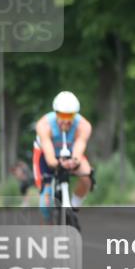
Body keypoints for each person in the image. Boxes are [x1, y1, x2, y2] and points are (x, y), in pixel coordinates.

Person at [32, 91, 94, 221]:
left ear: (75, 114)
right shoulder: (44, 125)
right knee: (46, 201)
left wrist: (75, 161)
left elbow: (79, 149)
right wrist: (58, 164)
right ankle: (47, 224)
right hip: (46, 154)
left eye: (70, 116)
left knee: (87, 176)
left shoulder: (84, 126)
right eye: (62, 115)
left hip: (69, 153)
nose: (66, 120)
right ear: (56, 113)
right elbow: (49, 157)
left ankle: (74, 207)